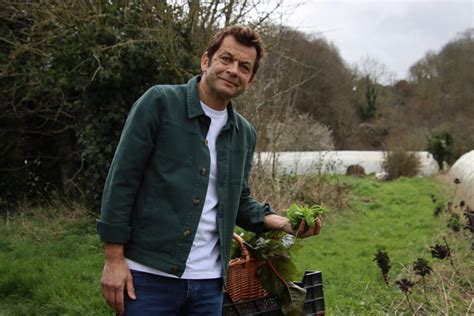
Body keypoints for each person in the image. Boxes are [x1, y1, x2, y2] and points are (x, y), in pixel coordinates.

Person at [97, 25, 322, 315]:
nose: (233, 70)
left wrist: (284, 223)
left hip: (209, 285)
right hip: (148, 277)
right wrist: (114, 259)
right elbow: (122, 181)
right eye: (226, 59)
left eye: (244, 67)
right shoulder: (160, 104)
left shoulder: (244, 133)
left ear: (250, 81)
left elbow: (237, 200)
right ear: (206, 61)